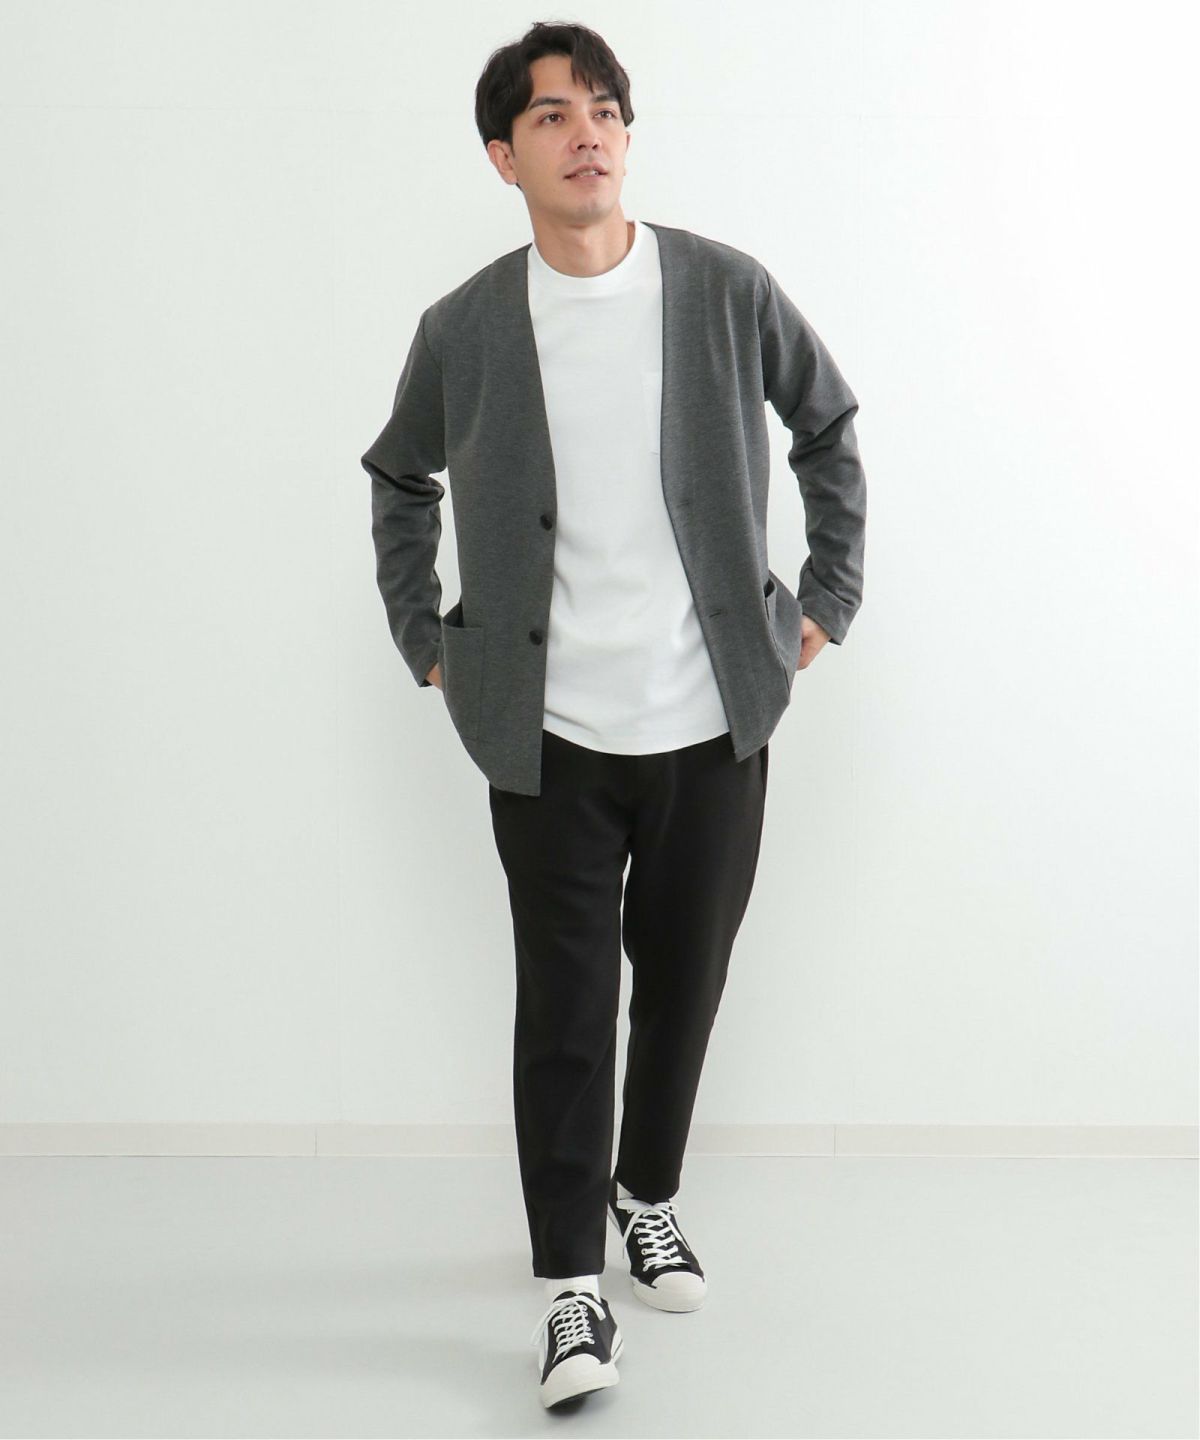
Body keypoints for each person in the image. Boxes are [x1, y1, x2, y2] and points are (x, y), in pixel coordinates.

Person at [360, 20, 867, 1411]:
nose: (586, 132)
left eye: (604, 109)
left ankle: (648, 1196)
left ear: (627, 135)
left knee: (684, 987)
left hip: (712, 721)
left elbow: (828, 427)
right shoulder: (466, 327)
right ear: (503, 155)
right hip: (549, 739)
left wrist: (826, 599)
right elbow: (398, 479)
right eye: (551, 116)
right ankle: (570, 1290)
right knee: (569, 1011)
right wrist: (428, 641)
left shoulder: (722, 290)